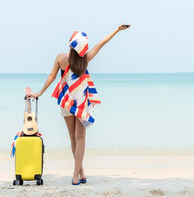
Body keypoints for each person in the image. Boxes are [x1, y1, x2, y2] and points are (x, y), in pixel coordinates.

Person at [27, 24, 130, 185]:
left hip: (66, 101)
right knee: (80, 137)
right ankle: (78, 174)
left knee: (73, 139)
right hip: (81, 101)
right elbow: (101, 44)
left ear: (70, 43)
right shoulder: (85, 59)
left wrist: (40, 92)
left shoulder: (61, 58)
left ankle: (79, 174)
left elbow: (51, 77)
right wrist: (117, 30)